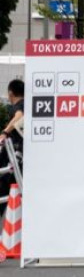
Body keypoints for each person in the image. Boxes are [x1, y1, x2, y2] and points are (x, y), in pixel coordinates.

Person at [0, 79, 24, 218]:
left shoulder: (18, 106)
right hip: (16, 157)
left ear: (10, 93)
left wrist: (5, 132)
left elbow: (19, 115)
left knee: (4, 190)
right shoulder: (27, 105)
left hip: (12, 158)